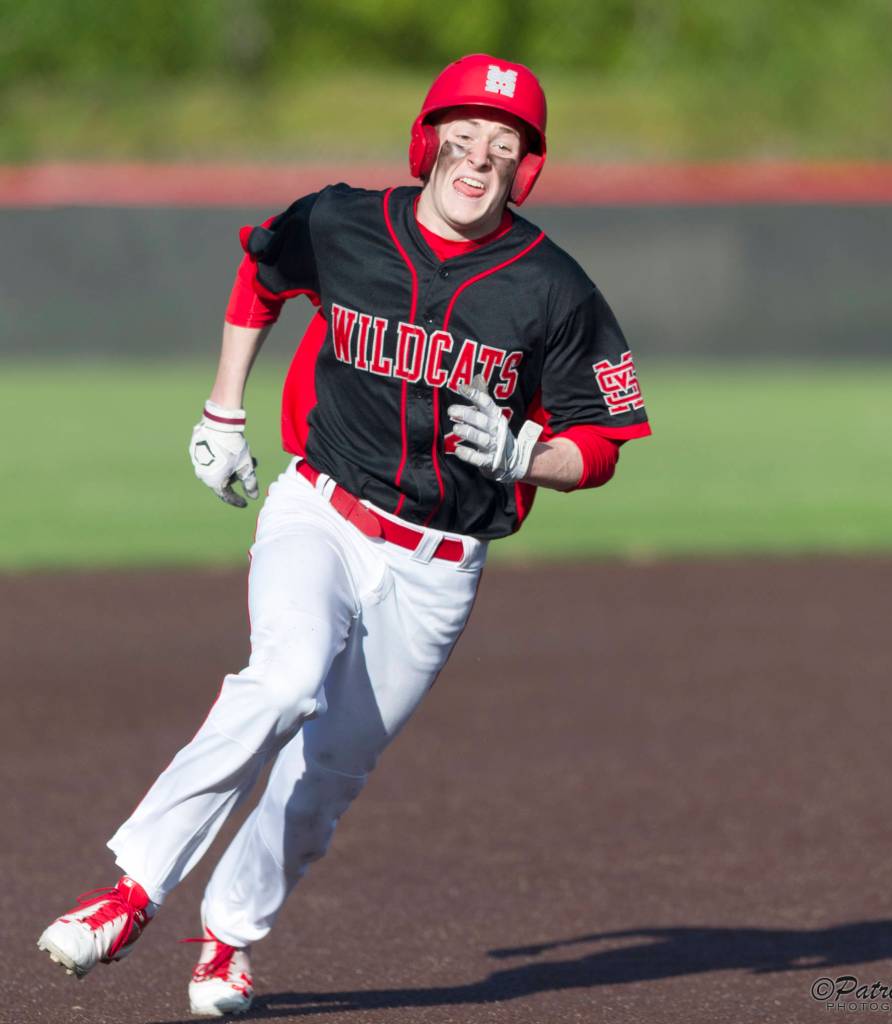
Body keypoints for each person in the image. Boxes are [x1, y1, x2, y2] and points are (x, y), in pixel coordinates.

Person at [37, 53, 651, 1017]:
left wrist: (529, 453)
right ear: (428, 141)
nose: (478, 157)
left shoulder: (552, 288)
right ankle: (132, 892)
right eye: (463, 135)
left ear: (525, 166)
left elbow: (604, 443)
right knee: (284, 680)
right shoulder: (343, 222)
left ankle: (226, 942)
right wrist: (223, 410)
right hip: (320, 511)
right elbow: (262, 269)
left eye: (502, 144)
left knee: (327, 774)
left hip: (439, 563)